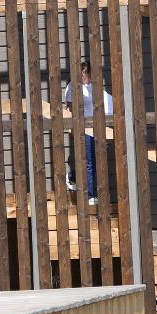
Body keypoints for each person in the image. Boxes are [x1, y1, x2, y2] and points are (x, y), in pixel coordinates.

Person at [62, 60, 115, 205]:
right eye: (82, 74)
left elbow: (108, 102)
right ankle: (91, 195)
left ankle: (72, 176)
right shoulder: (73, 87)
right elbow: (70, 108)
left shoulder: (95, 87)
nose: (84, 77)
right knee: (90, 160)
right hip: (83, 128)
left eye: (85, 74)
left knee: (94, 159)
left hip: (97, 128)